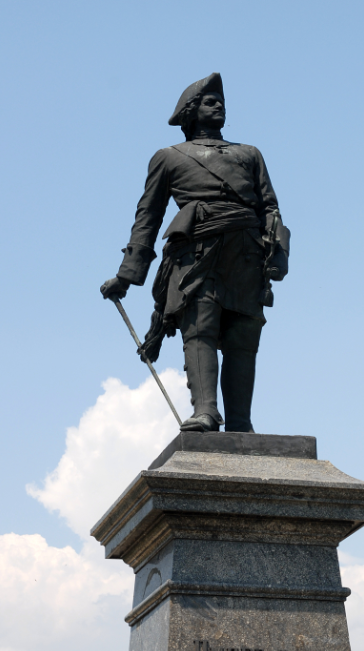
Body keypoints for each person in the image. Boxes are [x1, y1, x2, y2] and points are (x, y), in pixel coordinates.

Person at [101, 72, 289, 433]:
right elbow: (148, 217)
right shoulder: (168, 158)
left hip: (247, 254)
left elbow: (271, 209)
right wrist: (128, 275)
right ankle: (205, 412)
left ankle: (240, 423)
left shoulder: (249, 154)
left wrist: (278, 254)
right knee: (200, 329)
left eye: (220, 101)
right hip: (197, 254)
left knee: (243, 336)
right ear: (190, 112)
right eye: (208, 101)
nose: (218, 105)